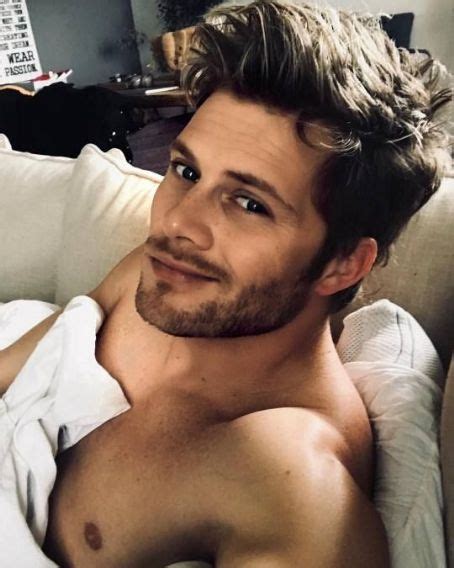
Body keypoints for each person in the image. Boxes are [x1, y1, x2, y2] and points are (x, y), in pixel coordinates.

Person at [0, 1, 451, 566]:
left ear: (343, 264)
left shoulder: (286, 484)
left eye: (249, 203)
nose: (176, 223)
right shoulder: (162, 278)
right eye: (186, 171)